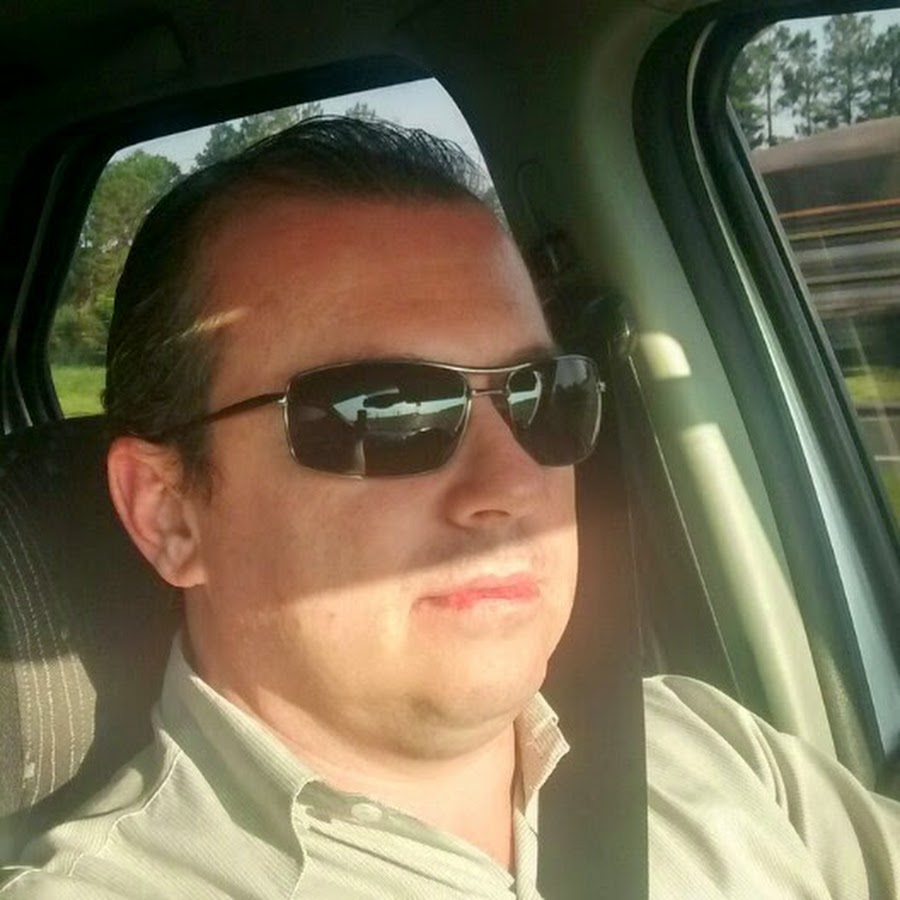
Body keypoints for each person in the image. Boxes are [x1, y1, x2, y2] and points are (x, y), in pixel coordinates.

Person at [1, 117, 898, 899]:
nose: (512, 487)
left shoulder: (705, 744)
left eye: (543, 395)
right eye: (385, 412)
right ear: (169, 513)